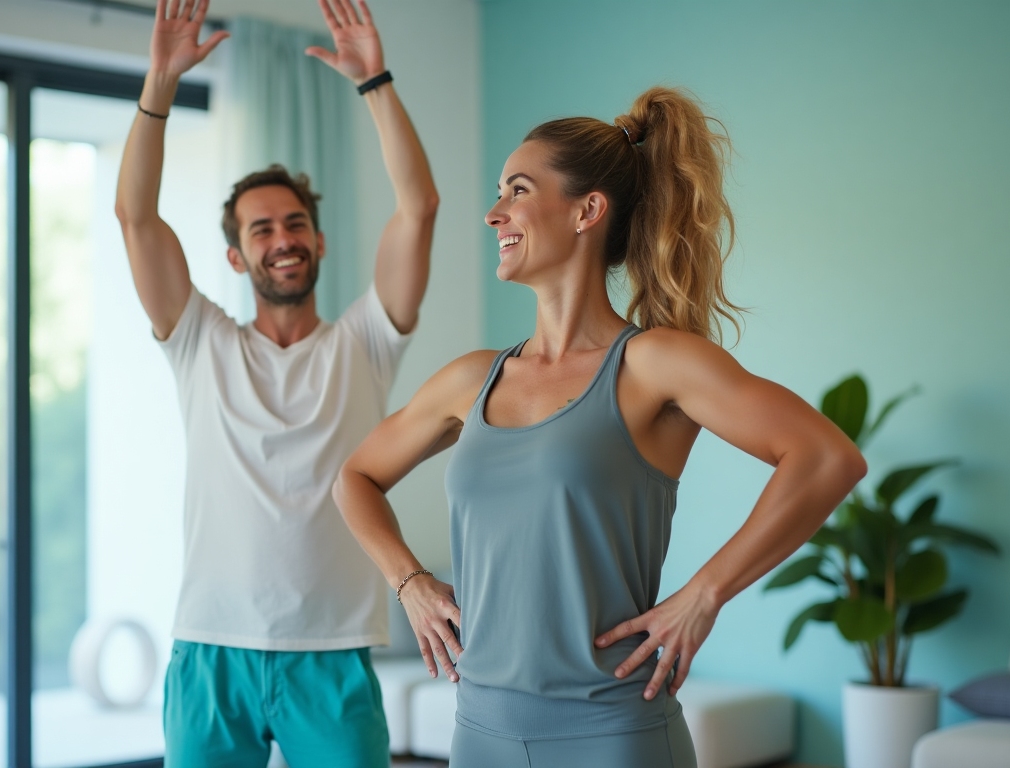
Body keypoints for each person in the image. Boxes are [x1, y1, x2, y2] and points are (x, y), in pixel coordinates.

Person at [333, 86, 867, 767]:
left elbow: (826, 457)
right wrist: (409, 580)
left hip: (611, 733)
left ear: (587, 210)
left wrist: (704, 594)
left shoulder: (654, 364)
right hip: (479, 732)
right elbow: (355, 476)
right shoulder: (471, 379)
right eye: (499, 193)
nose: (494, 213)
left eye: (518, 191)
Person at [113, 0, 438, 765]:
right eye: (261, 229)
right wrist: (160, 81)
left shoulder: (365, 342)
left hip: (332, 655)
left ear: (319, 242)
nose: (281, 239)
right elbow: (135, 217)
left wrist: (376, 82)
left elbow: (419, 208)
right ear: (236, 257)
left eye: (294, 224)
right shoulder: (199, 340)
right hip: (210, 649)